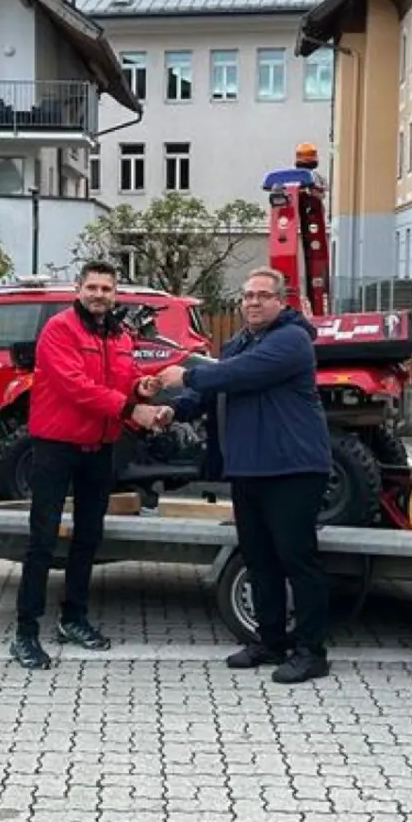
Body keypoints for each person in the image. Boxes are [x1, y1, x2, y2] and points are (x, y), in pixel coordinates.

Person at [159, 267, 334, 683]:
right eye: (247, 296)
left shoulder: (292, 340)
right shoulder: (239, 342)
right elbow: (213, 390)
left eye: (262, 295)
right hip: (249, 469)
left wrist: (186, 374)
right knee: (259, 561)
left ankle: (311, 652)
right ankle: (270, 642)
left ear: (280, 301)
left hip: (292, 468)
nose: (252, 302)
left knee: (297, 560)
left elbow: (238, 374)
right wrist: (173, 408)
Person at [10, 261, 165, 670]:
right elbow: (75, 388)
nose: (100, 294)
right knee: (42, 540)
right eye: (93, 287)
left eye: (107, 288)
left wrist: (140, 386)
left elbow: (125, 375)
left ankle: (73, 618)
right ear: (78, 288)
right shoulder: (60, 330)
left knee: (88, 538)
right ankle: (25, 632)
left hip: (99, 447)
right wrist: (134, 409)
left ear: (115, 293)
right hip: (56, 446)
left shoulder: (118, 334)